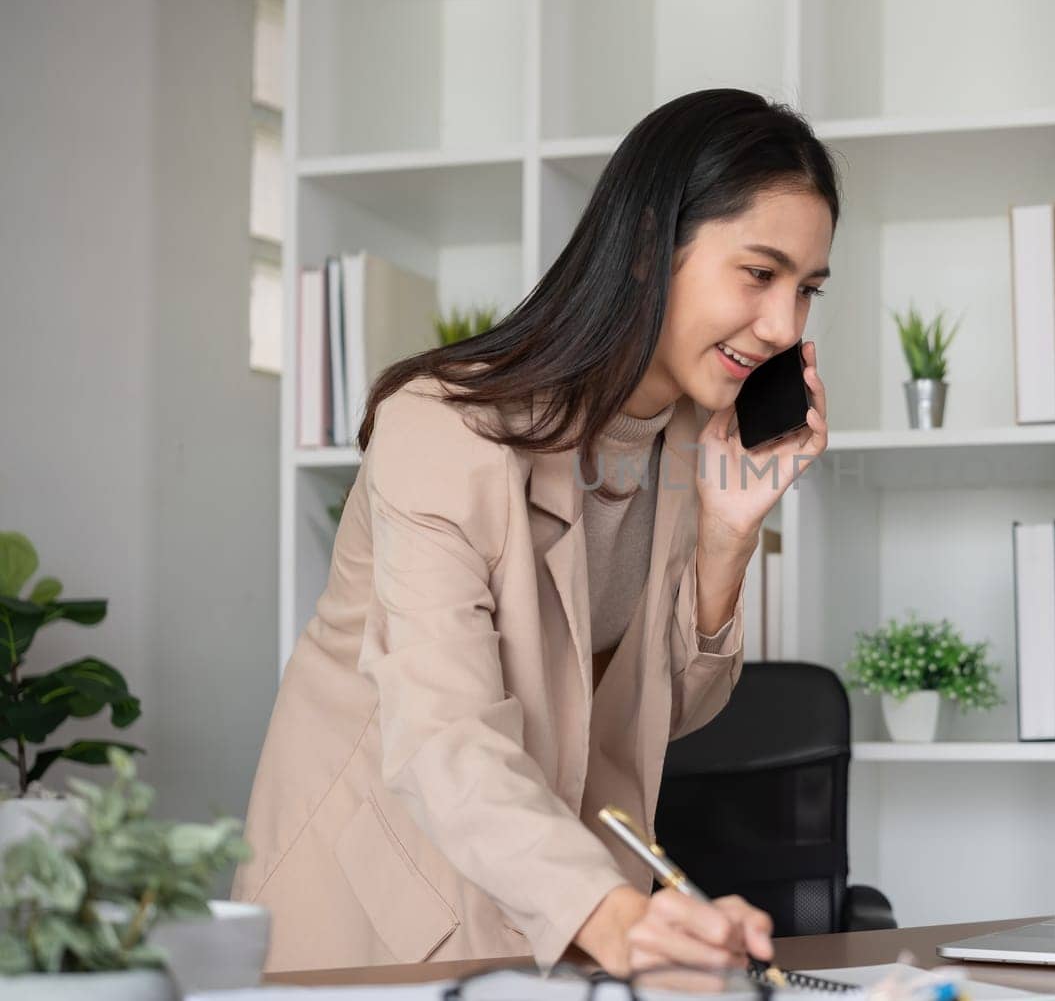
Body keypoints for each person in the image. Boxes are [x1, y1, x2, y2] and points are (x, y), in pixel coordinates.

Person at [233, 88, 837, 975]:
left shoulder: (686, 443)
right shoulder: (441, 426)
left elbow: (673, 713)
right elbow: (443, 731)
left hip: (555, 904)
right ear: (645, 249)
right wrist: (614, 912)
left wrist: (727, 536)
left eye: (807, 289)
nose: (784, 325)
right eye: (759, 273)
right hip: (380, 911)